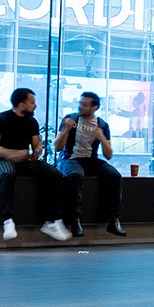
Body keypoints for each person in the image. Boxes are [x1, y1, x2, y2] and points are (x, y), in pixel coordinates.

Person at [0, 88, 71, 242]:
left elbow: (36, 144)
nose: (35, 106)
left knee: (55, 175)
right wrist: (12, 153)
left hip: (25, 161)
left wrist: (38, 150)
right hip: (1, 161)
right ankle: (8, 221)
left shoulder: (31, 122)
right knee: (7, 173)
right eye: (32, 102)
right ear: (21, 104)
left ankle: (52, 221)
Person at [56, 91, 126, 238]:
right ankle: (75, 220)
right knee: (75, 175)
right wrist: (66, 129)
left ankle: (114, 220)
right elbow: (57, 147)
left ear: (94, 107)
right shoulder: (70, 119)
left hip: (91, 160)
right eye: (80, 103)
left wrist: (102, 139)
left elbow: (108, 155)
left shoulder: (102, 124)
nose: (80, 107)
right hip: (70, 159)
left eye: (84, 104)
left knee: (114, 175)